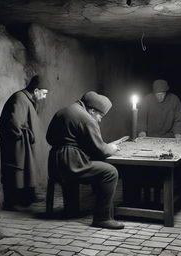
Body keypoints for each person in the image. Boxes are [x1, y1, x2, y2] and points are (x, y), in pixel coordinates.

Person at [46, 91, 124, 229]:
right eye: (100, 115)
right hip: (70, 164)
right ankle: (102, 218)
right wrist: (111, 147)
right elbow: (100, 150)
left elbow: (49, 138)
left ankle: (71, 210)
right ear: (92, 110)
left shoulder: (62, 111)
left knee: (81, 168)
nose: (99, 119)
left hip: (54, 163)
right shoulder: (86, 118)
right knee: (110, 172)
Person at [0, 75, 48, 210]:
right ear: (36, 91)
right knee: (16, 171)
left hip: (23, 144)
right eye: (43, 93)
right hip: (16, 145)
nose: (44, 97)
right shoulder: (20, 99)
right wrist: (25, 135)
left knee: (26, 171)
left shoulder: (27, 99)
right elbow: (14, 124)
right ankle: (12, 203)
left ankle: (26, 198)